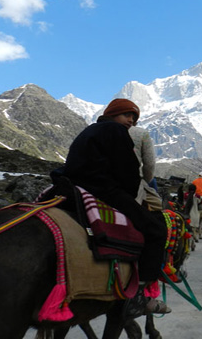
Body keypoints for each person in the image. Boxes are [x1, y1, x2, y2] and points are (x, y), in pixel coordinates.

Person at [50, 98, 170, 316]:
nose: (131, 121)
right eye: (127, 115)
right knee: (156, 230)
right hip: (104, 190)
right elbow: (129, 169)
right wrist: (129, 190)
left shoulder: (90, 130)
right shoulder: (116, 131)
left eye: (134, 118)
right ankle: (140, 295)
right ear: (113, 114)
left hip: (74, 188)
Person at [129, 125, 162, 211]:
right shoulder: (141, 133)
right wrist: (144, 181)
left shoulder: (97, 130)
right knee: (158, 205)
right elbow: (150, 164)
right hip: (134, 182)